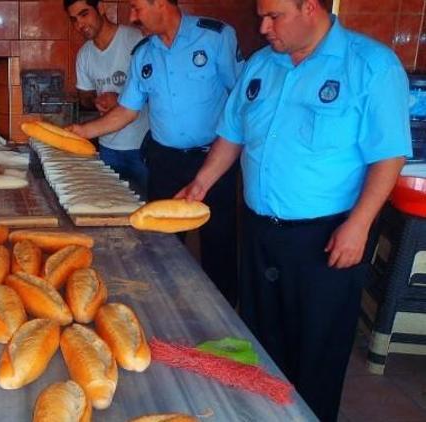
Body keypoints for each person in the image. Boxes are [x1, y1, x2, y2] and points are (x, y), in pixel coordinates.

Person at [176, 0, 412, 419]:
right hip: (260, 231)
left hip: (327, 235)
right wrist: (201, 183)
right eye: (260, 15)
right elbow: (232, 135)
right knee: (261, 338)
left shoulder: (372, 66)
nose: (263, 26)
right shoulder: (261, 65)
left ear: (310, 8)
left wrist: (359, 224)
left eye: (274, 16)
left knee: (318, 347)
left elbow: (389, 156)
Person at [68, 0, 245, 305]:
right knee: (161, 246)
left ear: (160, 3)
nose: (132, 17)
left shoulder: (215, 37)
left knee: (219, 246)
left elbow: (241, 99)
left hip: (213, 160)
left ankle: (223, 323)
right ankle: (165, 312)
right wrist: (82, 132)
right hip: (165, 162)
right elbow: (127, 111)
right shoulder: (144, 53)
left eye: (137, 8)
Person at [65, 0, 150, 197]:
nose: (80, 25)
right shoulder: (85, 54)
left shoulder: (136, 41)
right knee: (110, 206)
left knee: (146, 210)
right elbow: (85, 97)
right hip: (108, 148)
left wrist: (120, 99)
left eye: (84, 14)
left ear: (101, 8)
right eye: (74, 20)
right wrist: (96, 100)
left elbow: (158, 93)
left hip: (142, 147)